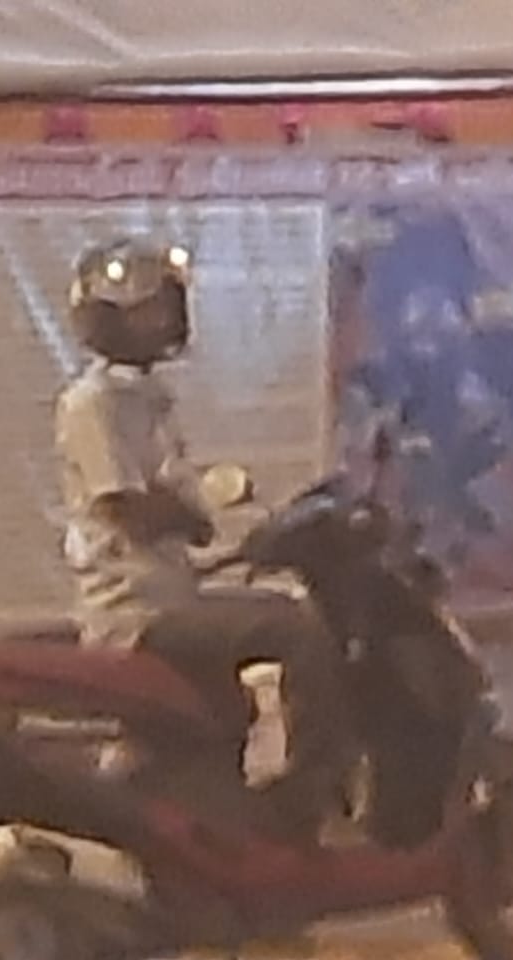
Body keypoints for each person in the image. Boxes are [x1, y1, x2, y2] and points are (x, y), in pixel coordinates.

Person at [54, 237, 350, 842]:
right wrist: (190, 516)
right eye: (148, 309)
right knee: (296, 629)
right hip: (137, 614)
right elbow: (127, 509)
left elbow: (180, 501)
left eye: (166, 305)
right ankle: (307, 796)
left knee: (240, 692)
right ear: (107, 318)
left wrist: (204, 515)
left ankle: (242, 826)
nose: (165, 318)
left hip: (168, 595)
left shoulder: (143, 398)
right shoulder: (93, 403)